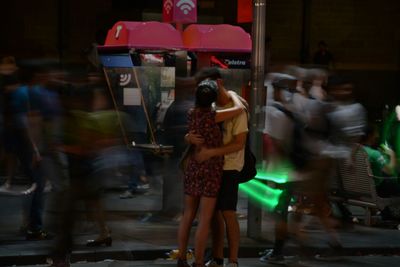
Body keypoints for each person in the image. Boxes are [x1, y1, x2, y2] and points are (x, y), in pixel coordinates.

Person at [177, 79, 245, 267]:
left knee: (187, 215)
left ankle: (181, 258)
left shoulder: (191, 114)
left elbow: (188, 135)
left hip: (193, 167)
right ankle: (198, 261)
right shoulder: (213, 116)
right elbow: (239, 109)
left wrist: (188, 138)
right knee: (205, 219)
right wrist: (233, 95)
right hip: (211, 170)